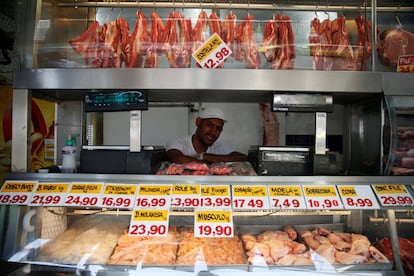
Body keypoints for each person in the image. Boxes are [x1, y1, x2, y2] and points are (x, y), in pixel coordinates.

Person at [166, 107, 247, 164]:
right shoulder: (178, 142)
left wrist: (205, 156)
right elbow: (176, 158)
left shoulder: (219, 147)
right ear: (198, 122)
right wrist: (210, 162)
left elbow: (242, 158)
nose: (213, 132)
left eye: (218, 128)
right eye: (209, 125)